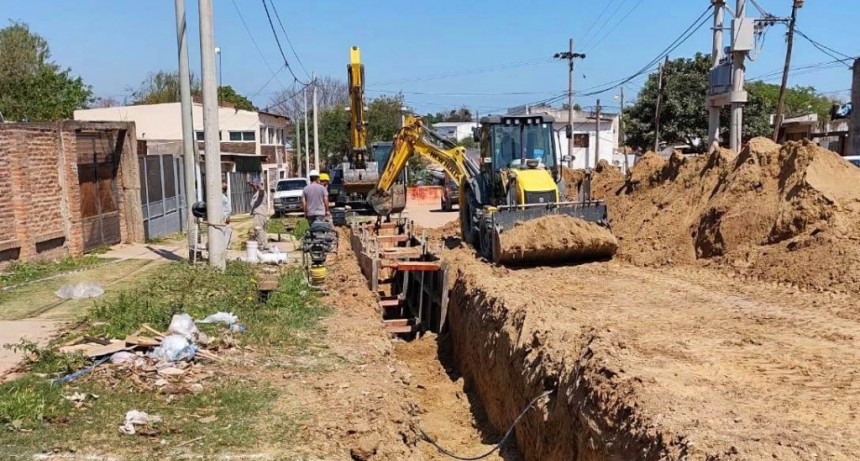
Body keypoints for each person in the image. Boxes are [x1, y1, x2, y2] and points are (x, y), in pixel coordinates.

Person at [250, 178, 268, 249]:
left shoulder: (261, 192)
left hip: (259, 214)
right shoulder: (257, 192)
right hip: (258, 213)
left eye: (253, 185)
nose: (252, 187)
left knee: (259, 229)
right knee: (261, 230)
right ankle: (264, 244)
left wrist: (258, 185)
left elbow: (258, 200)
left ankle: (261, 245)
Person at [222, 182, 233, 248]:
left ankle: (227, 245)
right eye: (224, 186)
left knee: (228, 230)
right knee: (227, 230)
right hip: (223, 217)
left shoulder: (224, 196)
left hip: (225, 216)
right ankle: (224, 246)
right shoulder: (222, 197)